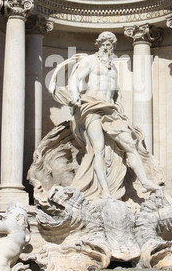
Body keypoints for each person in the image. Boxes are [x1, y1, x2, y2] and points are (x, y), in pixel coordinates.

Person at [67, 31, 159, 199]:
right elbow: (74, 79)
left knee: (130, 144)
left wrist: (119, 108)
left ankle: (144, 182)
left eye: (110, 44)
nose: (107, 47)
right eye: (104, 44)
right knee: (98, 148)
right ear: (99, 45)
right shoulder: (90, 60)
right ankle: (105, 191)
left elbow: (114, 92)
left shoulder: (113, 68)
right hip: (92, 107)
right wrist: (74, 95)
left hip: (110, 110)